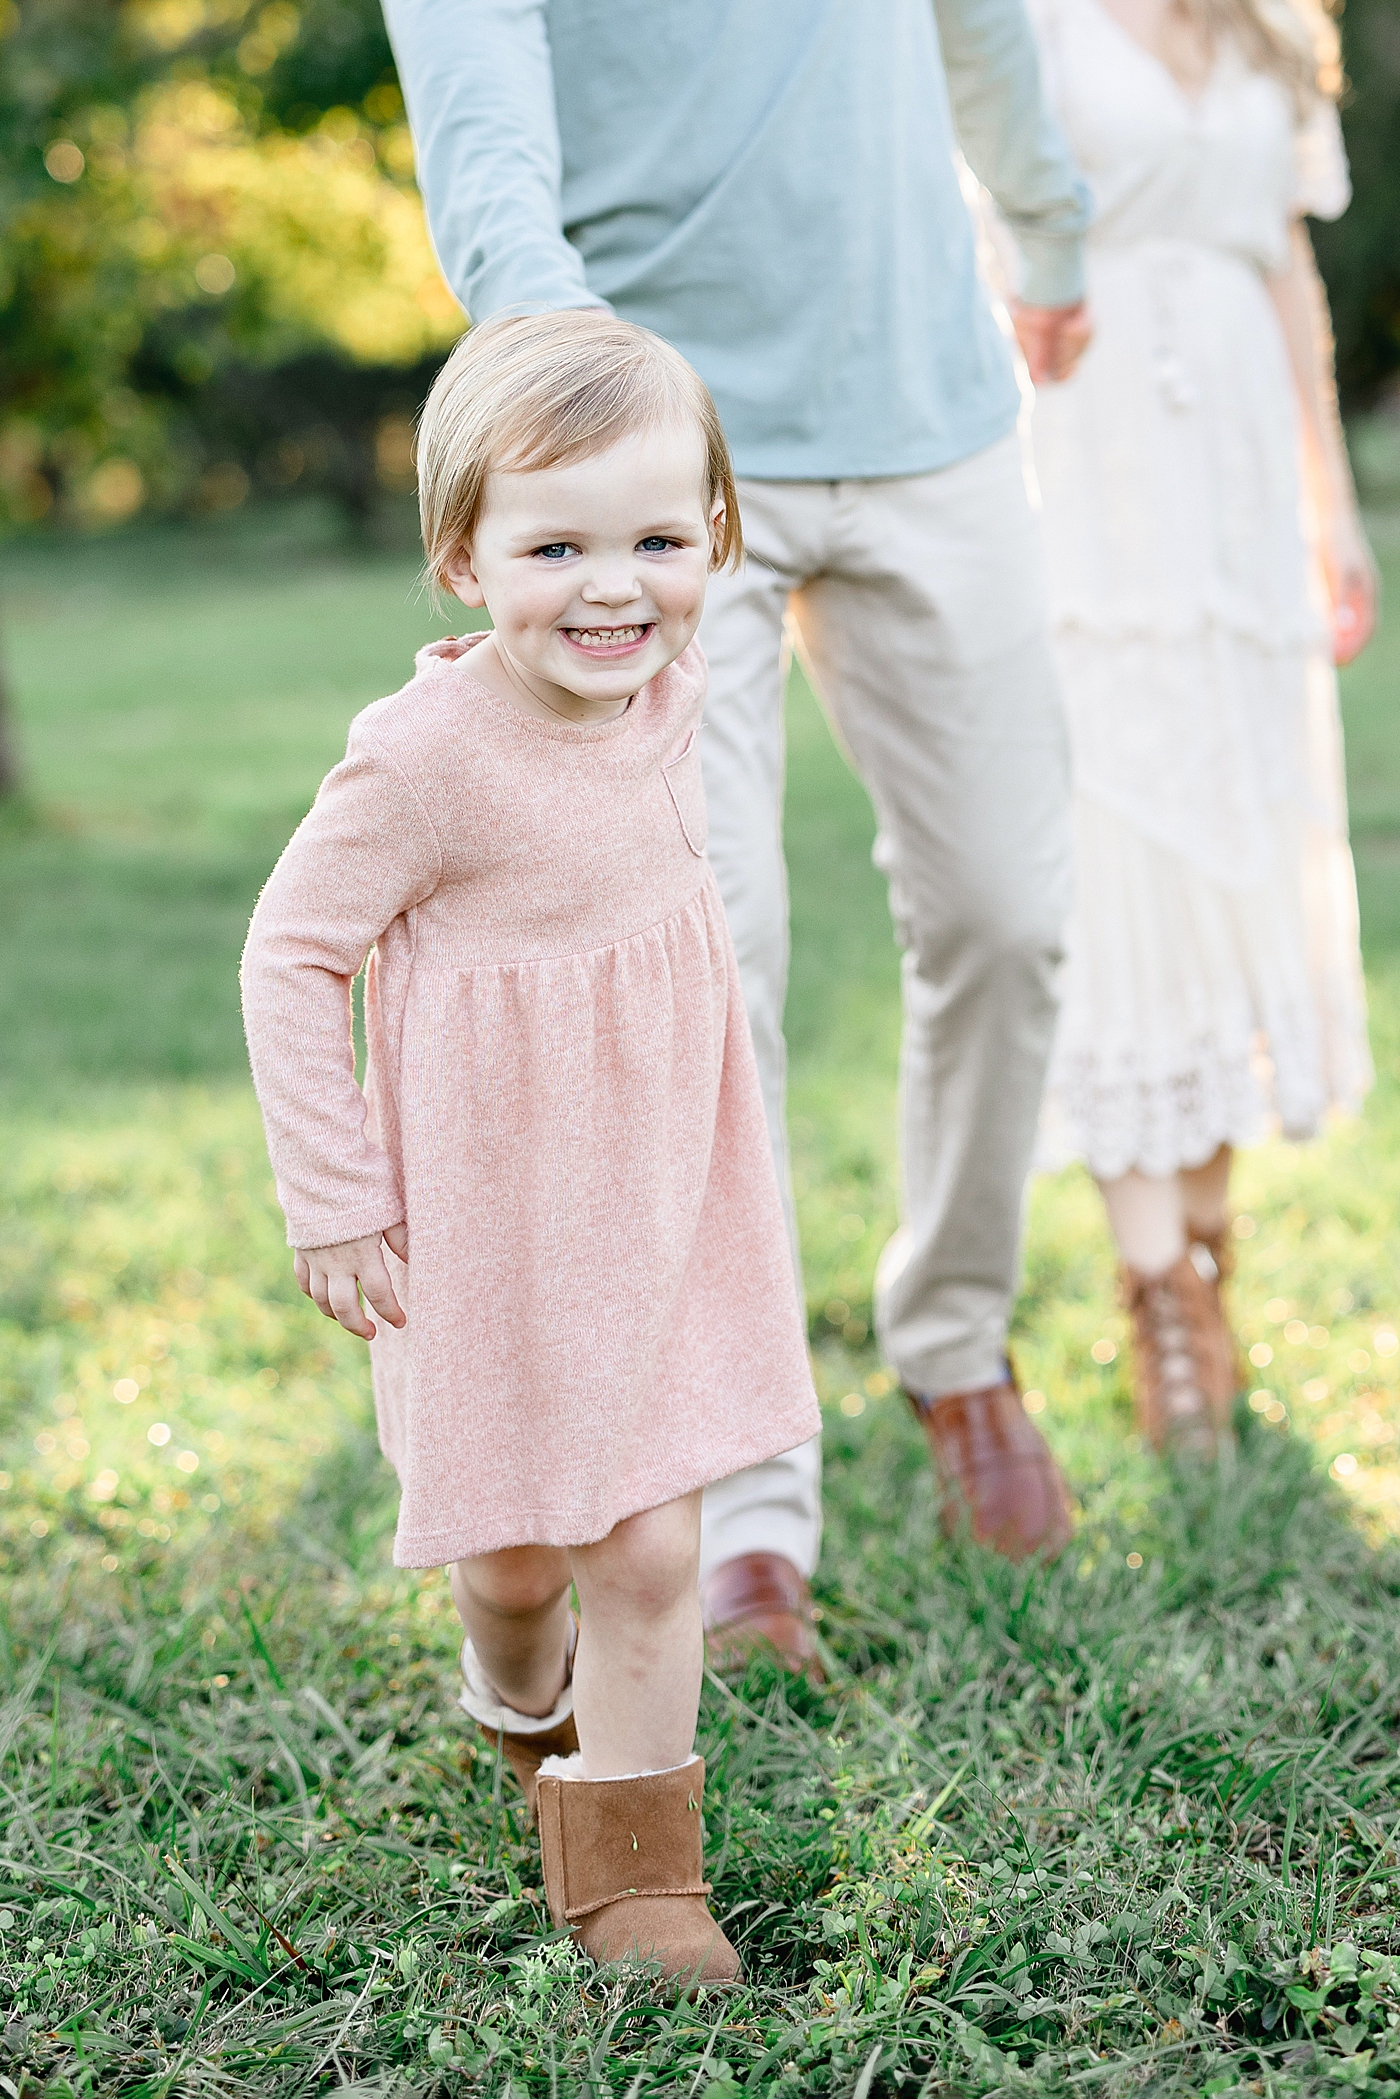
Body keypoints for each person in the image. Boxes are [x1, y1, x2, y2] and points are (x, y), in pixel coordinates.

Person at [382, 0, 1097, 1665]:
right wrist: (585, 409)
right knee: (704, 974)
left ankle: (958, 1341)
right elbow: (485, 136)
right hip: (654, 483)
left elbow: (980, 26)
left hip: (936, 409)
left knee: (1007, 911)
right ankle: (748, 1489)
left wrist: (1047, 226)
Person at [240, 311, 822, 1987]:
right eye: (553, 545)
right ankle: (518, 1688)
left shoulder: (674, 685)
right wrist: (335, 1194)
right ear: (461, 556)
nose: (612, 587)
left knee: (646, 1544)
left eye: (657, 538)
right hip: (483, 1219)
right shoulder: (423, 757)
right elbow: (290, 954)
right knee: (507, 1562)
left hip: (651, 1200)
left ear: (714, 535)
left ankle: (639, 1873)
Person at [1011, 0, 1377, 1449]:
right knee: (1120, 850)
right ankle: (1154, 1283)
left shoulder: (1278, 29)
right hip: (1088, 452)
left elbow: (1288, 263)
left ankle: (1209, 1254)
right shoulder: (1030, 22)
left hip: (1237, 469)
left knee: (1239, 840)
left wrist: (1329, 499)